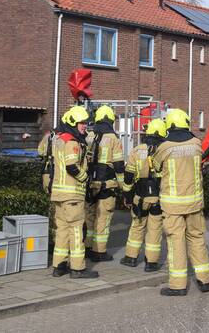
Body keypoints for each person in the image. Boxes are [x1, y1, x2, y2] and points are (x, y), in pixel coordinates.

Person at [149, 108, 209, 296]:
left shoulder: (165, 147)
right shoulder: (197, 143)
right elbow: (204, 165)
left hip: (173, 205)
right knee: (197, 239)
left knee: (176, 242)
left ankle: (178, 285)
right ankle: (205, 280)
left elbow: (156, 168)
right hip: (195, 203)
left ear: (169, 125)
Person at [48, 105, 98, 278]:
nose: (84, 126)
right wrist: (87, 179)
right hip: (72, 195)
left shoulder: (60, 139)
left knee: (62, 230)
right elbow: (72, 167)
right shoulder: (72, 142)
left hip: (59, 194)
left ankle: (59, 266)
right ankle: (78, 268)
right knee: (76, 230)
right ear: (72, 123)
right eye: (81, 123)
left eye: (85, 122)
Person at [120, 118, 167, 271]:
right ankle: (151, 263)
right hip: (159, 198)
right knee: (155, 230)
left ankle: (130, 258)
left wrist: (127, 195)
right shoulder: (165, 150)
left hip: (139, 196)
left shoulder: (137, 150)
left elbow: (128, 176)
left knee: (137, 227)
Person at [84, 105, 125, 262]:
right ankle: (99, 252)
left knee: (89, 216)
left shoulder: (88, 135)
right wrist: (123, 187)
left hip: (89, 184)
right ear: (110, 120)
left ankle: (87, 246)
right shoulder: (113, 139)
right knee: (103, 218)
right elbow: (119, 165)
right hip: (106, 185)